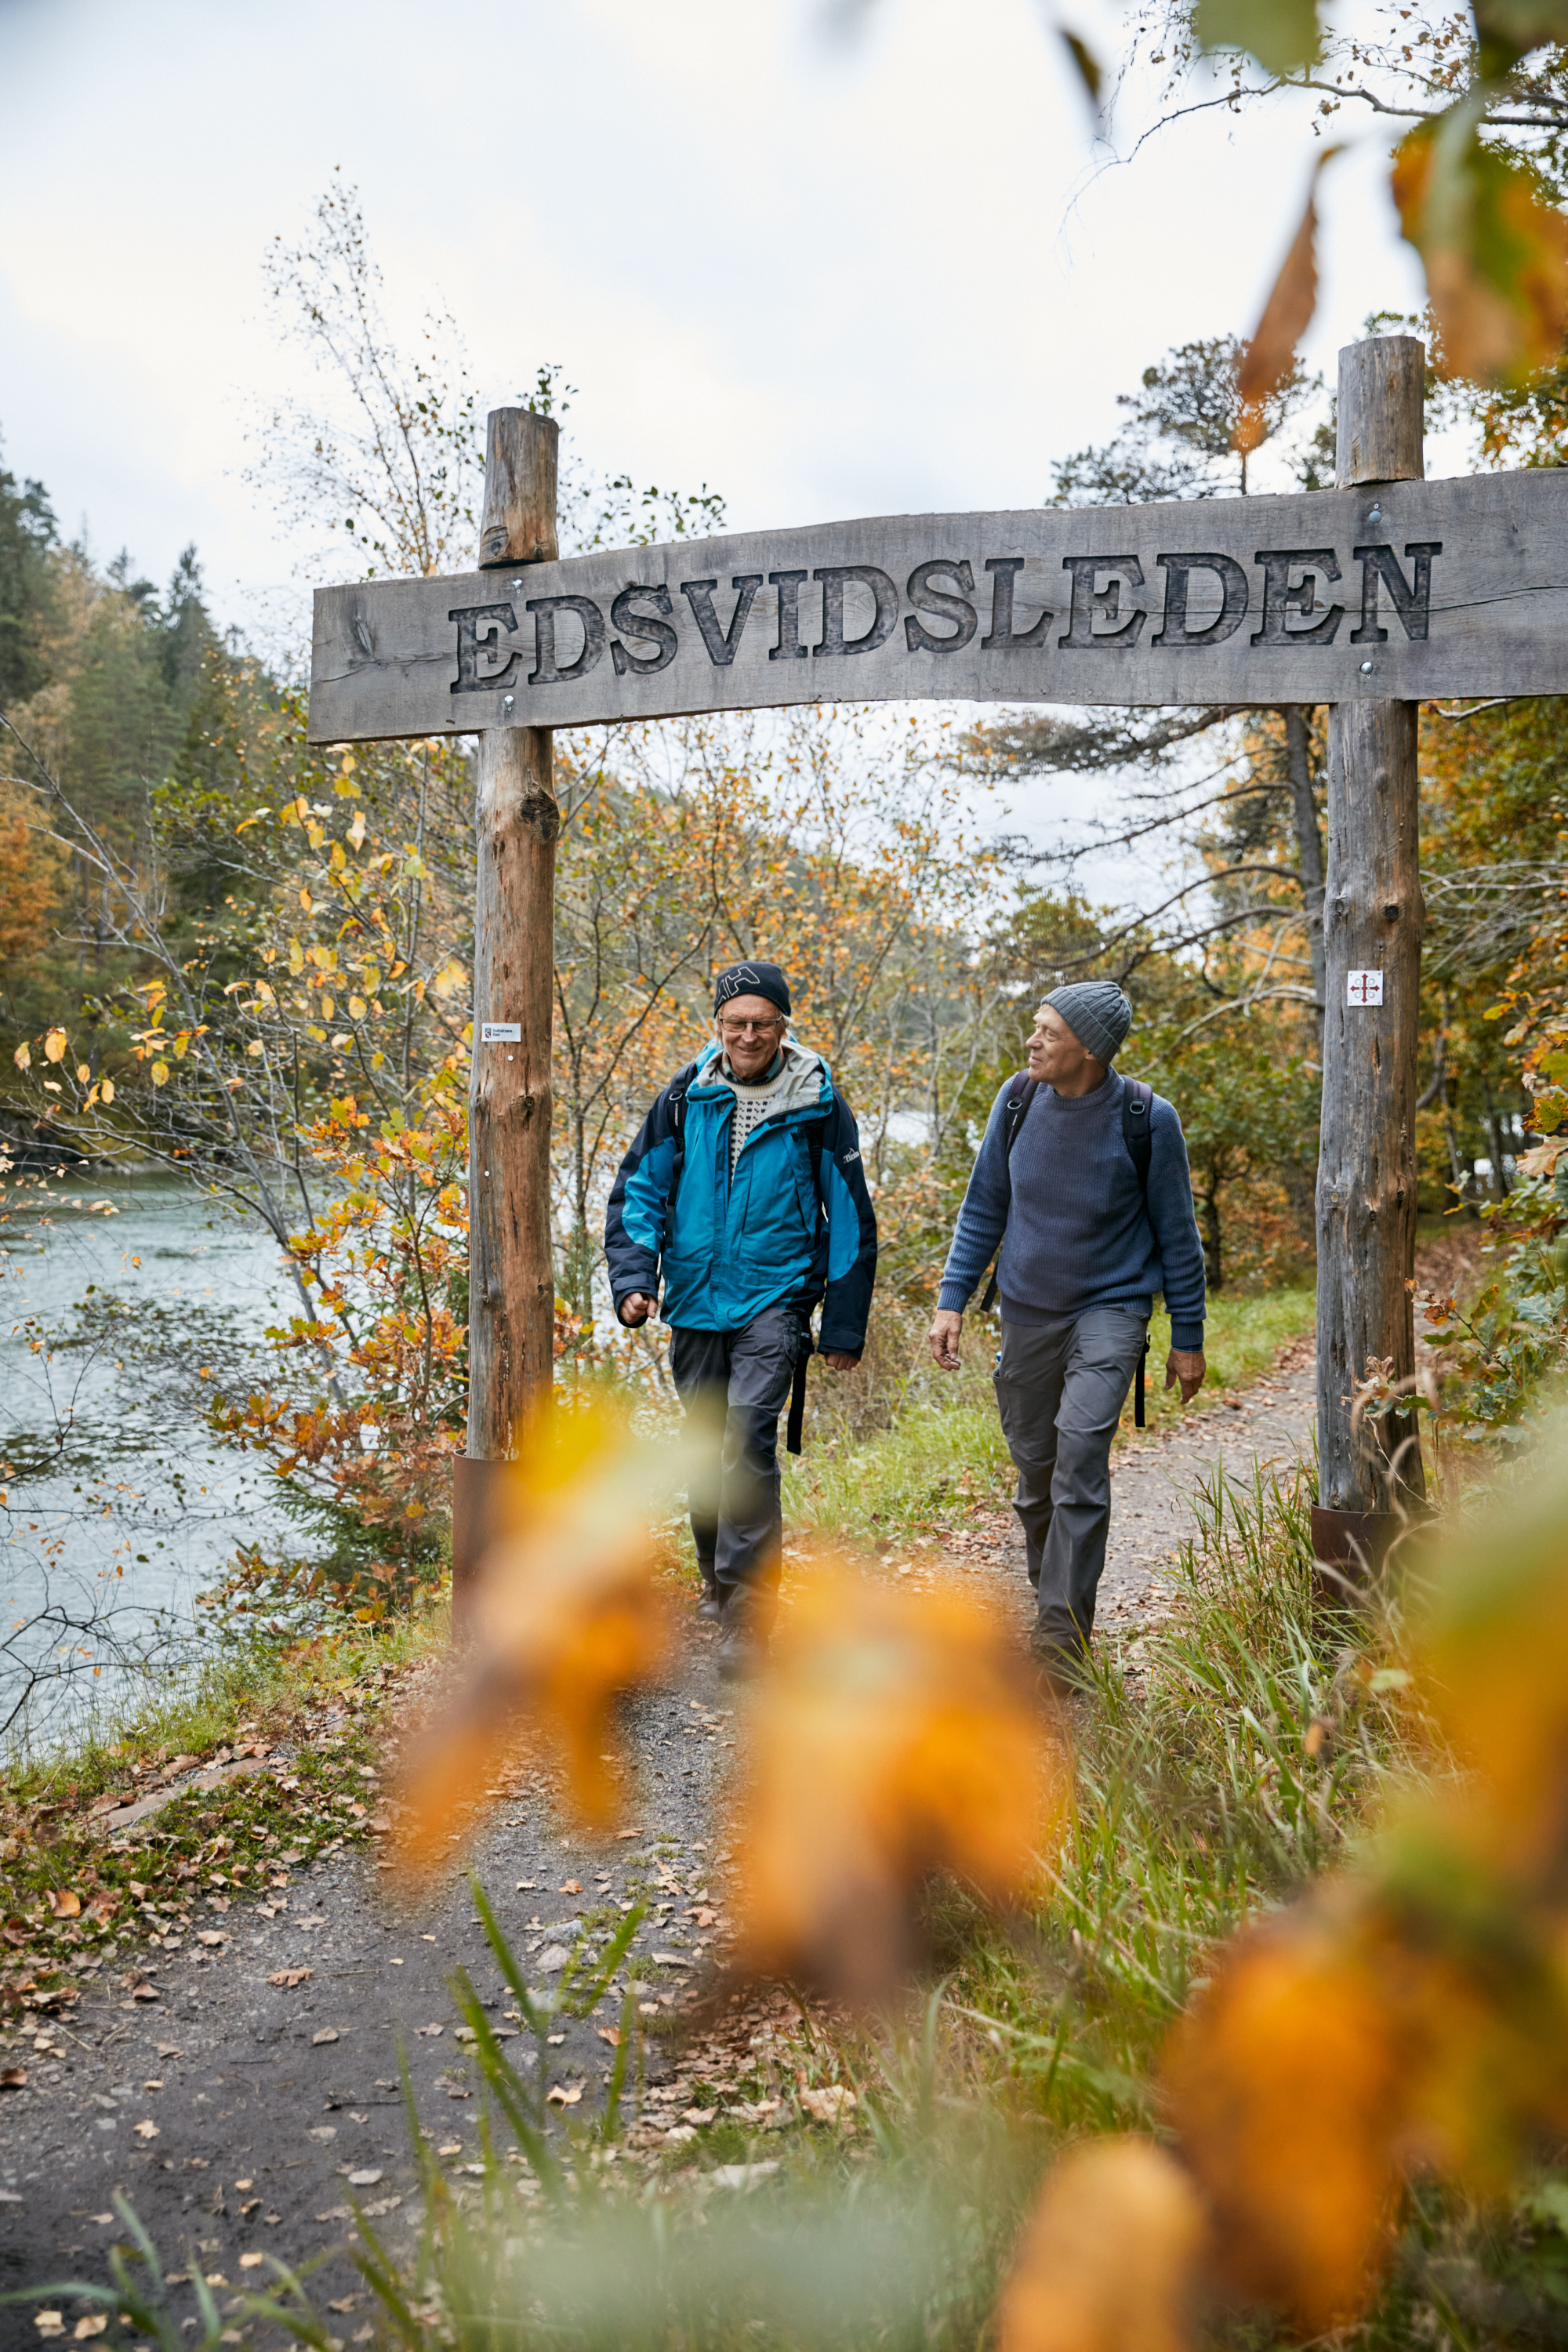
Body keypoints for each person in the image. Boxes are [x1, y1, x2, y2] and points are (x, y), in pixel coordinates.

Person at [928, 980, 1207, 1690]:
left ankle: (1060, 1639)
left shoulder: (1148, 1118)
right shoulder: (1017, 1102)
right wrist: (952, 1299)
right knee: (1036, 1477)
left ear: (1088, 1047)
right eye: (1035, 1028)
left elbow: (1179, 1236)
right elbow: (984, 1203)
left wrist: (1188, 1337)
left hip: (1110, 1309)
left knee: (1080, 1454)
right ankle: (1052, 1600)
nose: (1033, 1042)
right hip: (1026, 1310)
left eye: (1048, 1032)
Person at [605, 960, 877, 1679]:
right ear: (717, 1026)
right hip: (694, 1299)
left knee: (748, 1437)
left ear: (784, 1027)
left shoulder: (818, 1103)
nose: (749, 1035)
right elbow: (638, 1194)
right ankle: (715, 1575)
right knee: (705, 1446)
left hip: (775, 1297)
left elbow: (849, 1217)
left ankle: (748, 1616)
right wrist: (635, 1281)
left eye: (762, 1023)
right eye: (736, 1023)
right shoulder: (682, 1097)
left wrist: (843, 1327)